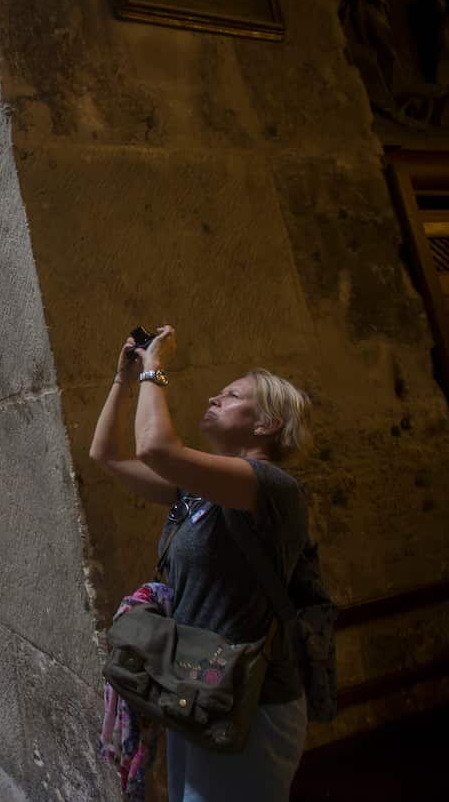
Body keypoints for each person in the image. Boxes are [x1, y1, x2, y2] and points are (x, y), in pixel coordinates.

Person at [89, 325, 313, 802]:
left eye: (231, 396)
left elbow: (155, 448)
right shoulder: (197, 493)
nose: (215, 397)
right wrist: (123, 378)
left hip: (251, 699)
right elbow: (105, 455)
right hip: (195, 687)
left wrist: (157, 368)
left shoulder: (270, 488)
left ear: (266, 425)